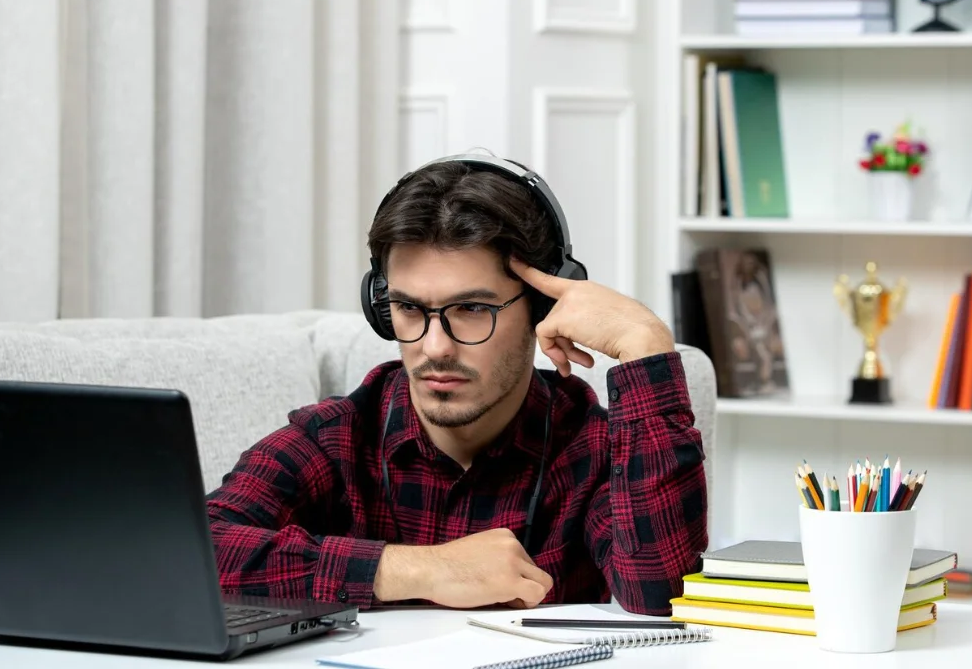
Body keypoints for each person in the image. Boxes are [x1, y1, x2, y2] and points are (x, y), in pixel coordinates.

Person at [206, 154, 708, 616]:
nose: (435, 347)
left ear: (541, 308)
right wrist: (419, 569)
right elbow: (194, 550)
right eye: (409, 309)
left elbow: (662, 593)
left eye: (472, 309)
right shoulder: (335, 438)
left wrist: (645, 344)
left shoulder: (594, 450)